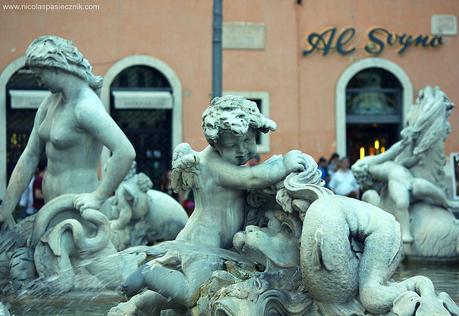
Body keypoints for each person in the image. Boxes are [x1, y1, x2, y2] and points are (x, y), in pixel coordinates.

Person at [110, 95, 308, 314]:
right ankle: (148, 272)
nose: (242, 150)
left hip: (214, 240)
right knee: (190, 292)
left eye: (248, 141)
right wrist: (284, 165)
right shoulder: (212, 164)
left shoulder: (218, 161)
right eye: (232, 145)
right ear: (215, 143)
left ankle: (140, 304)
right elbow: (251, 178)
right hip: (205, 238)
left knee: (200, 291)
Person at [0, 36, 135, 228]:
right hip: (51, 210)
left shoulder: (85, 107)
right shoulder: (49, 103)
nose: (39, 82)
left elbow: (125, 151)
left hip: (80, 214)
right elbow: (30, 156)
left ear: (55, 67)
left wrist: (98, 196)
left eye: (40, 75)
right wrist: (7, 208)